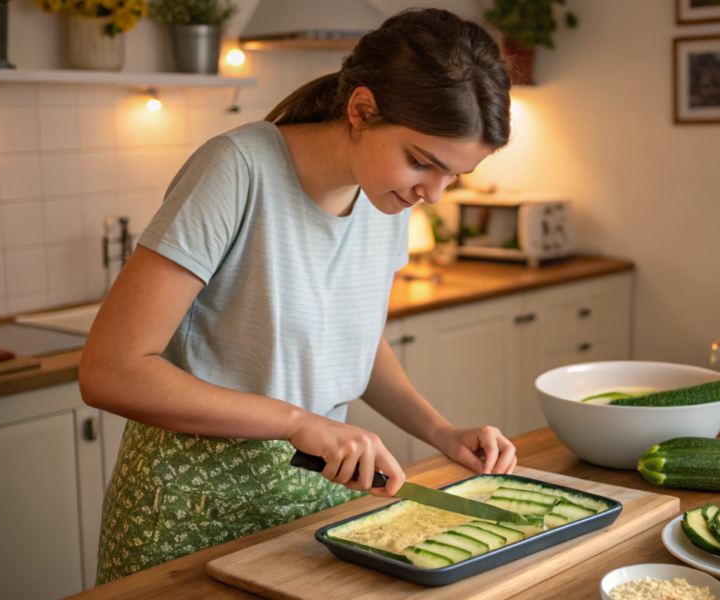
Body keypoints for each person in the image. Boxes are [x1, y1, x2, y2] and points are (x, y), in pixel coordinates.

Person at [80, 8, 515, 585]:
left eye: (452, 176)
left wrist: (440, 431)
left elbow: (353, 337)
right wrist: (295, 421)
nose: (432, 194)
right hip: (188, 511)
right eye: (422, 162)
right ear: (361, 110)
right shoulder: (237, 168)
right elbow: (110, 371)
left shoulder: (386, 193)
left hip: (311, 504)